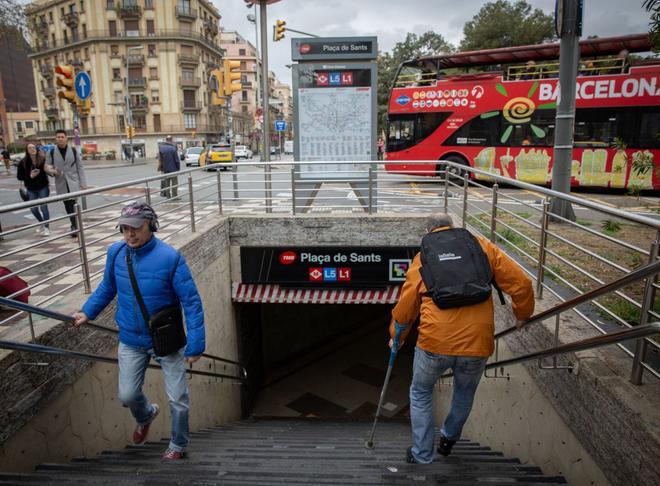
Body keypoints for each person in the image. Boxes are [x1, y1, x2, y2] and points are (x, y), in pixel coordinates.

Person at [390, 213, 534, 464]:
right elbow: (521, 283)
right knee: (465, 391)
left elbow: (406, 306)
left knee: (421, 392)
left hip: (434, 343)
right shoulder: (480, 245)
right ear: (452, 226)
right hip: (477, 343)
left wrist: (397, 337)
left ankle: (422, 454)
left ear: (428, 230)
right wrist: (522, 314)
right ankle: (448, 438)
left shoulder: (422, 257)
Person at [71, 201, 205, 460]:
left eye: (136, 228)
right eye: (124, 229)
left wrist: (196, 343)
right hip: (131, 339)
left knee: (178, 398)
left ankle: (178, 445)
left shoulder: (171, 258)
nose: (129, 234)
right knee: (127, 395)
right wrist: (87, 311)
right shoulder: (116, 253)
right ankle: (146, 415)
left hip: (165, 340)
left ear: (151, 226)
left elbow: (192, 303)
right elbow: (107, 287)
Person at [44, 129, 87, 236]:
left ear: (66, 138)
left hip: (73, 182)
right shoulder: (52, 152)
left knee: (72, 204)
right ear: (56, 139)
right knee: (67, 205)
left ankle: (74, 226)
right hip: (61, 183)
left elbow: (80, 167)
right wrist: (53, 171)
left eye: (62, 137)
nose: (60, 139)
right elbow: (46, 167)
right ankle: (74, 224)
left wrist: (83, 182)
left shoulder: (73, 150)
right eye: (58, 137)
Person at [16, 143, 51, 236]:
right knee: (33, 209)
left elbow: (47, 171)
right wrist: (30, 176)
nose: (32, 149)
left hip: (43, 186)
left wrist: (49, 170)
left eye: (33, 147)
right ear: (27, 150)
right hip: (31, 188)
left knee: (44, 207)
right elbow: (19, 176)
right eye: (29, 148)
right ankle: (42, 223)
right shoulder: (23, 162)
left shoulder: (42, 159)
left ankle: (47, 228)